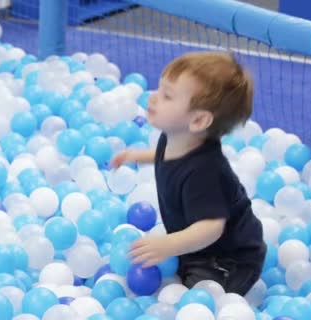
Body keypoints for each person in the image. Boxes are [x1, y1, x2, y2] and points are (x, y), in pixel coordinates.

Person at [111, 51, 266, 295]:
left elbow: (211, 228)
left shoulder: (204, 173)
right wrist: (137, 156)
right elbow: (165, 155)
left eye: (167, 96)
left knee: (197, 297)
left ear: (198, 121)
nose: (153, 98)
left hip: (228, 258)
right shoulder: (175, 137)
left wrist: (168, 245)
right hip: (198, 247)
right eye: (159, 90)